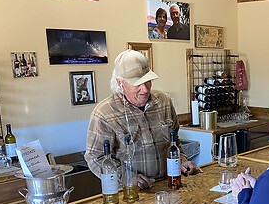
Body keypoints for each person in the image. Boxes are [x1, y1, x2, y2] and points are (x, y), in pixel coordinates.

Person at [85, 50, 201, 189]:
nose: (145, 89)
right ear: (120, 83)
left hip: (168, 185)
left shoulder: (164, 102)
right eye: (137, 84)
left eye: (147, 81)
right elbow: (95, 158)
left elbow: (174, 141)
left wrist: (182, 161)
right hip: (131, 193)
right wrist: (126, 177)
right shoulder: (104, 114)